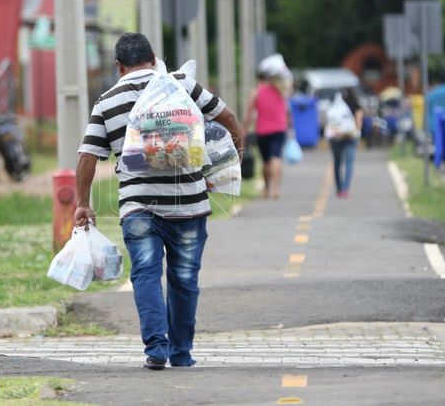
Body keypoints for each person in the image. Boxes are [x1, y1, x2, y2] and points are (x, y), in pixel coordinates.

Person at [75, 33, 243, 370]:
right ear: (154, 58)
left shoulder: (107, 101)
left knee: (146, 275)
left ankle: (156, 347)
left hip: (138, 207)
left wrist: (83, 203)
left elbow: (88, 158)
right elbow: (228, 119)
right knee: (184, 279)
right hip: (190, 205)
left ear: (118, 66)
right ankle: (181, 352)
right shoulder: (181, 84)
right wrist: (229, 166)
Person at [242, 69, 293, 199]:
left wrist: (244, 129)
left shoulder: (256, 92)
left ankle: (267, 188)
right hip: (279, 129)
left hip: (263, 131)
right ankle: (276, 189)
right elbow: (287, 110)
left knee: (265, 161)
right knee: (276, 157)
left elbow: (248, 114)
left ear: (259, 79)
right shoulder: (280, 90)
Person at [327, 87, 364, 198]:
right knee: (349, 163)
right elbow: (358, 124)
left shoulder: (335, 105)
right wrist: (356, 132)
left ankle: (339, 188)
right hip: (350, 136)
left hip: (335, 136)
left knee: (337, 162)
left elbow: (329, 121)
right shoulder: (356, 106)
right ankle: (345, 189)